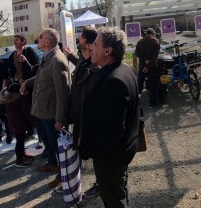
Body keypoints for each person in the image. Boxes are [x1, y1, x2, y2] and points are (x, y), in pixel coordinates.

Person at [79, 27, 139, 207]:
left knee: (113, 199)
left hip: (111, 157)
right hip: (121, 151)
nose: (91, 48)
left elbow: (113, 131)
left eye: (95, 44)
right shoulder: (123, 69)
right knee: (119, 191)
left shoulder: (114, 80)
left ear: (108, 51)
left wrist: (93, 151)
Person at [20, 28, 71, 189]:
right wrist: (27, 82)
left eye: (40, 36)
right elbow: (42, 76)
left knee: (56, 145)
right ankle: (52, 163)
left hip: (51, 113)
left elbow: (63, 92)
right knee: (44, 137)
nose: (38, 38)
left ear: (48, 42)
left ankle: (64, 175)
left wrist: (59, 118)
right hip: (42, 110)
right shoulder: (49, 56)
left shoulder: (57, 60)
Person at [63, 26, 102, 200]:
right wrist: (69, 54)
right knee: (82, 151)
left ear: (88, 42)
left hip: (90, 120)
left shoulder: (97, 66)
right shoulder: (84, 60)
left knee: (97, 154)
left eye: (80, 37)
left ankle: (101, 184)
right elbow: (79, 62)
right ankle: (73, 184)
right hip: (79, 117)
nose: (78, 39)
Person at [7, 34, 40, 166]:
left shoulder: (29, 51)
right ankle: (20, 154)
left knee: (29, 119)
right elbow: (10, 72)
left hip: (30, 88)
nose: (15, 42)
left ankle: (24, 151)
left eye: (17, 40)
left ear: (23, 41)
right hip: (18, 90)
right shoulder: (11, 56)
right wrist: (16, 81)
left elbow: (37, 68)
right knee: (22, 122)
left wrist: (25, 62)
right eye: (14, 40)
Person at [134, 28, 161, 107]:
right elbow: (155, 56)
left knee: (139, 84)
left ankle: (136, 102)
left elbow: (137, 53)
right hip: (152, 66)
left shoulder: (140, 41)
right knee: (153, 85)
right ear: (153, 33)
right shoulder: (156, 41)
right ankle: (152, 103)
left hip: (142, 66)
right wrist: (148, 64)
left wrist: (144, 60)